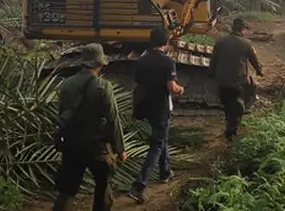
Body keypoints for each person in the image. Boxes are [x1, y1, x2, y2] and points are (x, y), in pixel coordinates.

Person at [52, 43, 126, 211]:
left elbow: (62, 115)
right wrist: (120, 149)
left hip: (72, 145)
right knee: (102, 185)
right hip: (97, 148)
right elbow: (113, 119)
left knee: (67, 191)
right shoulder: (103, 86)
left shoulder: (67, 85)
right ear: (99, 64)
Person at [128, 28, 185, 204]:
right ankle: (140, 184)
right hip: (161, 107)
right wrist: (180, 89)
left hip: (146, 106)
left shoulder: (141, 61)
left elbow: (138, 83)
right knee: (157, 144)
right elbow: (171, 86)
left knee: (161, 138)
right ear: (166, 43)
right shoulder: (168, 62)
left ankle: (165, 172)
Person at [209, 17, 263, 141]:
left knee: (227, 104)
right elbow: (253, 60)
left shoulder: (220, 41)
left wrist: (211, 74)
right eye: (245, 30)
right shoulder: (246, 43)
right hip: (238, 82)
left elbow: (214, 60)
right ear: (242, 30)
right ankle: (231, 131)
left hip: (222, 81)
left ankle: (230, 123)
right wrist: (259, 71)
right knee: (239, 104)